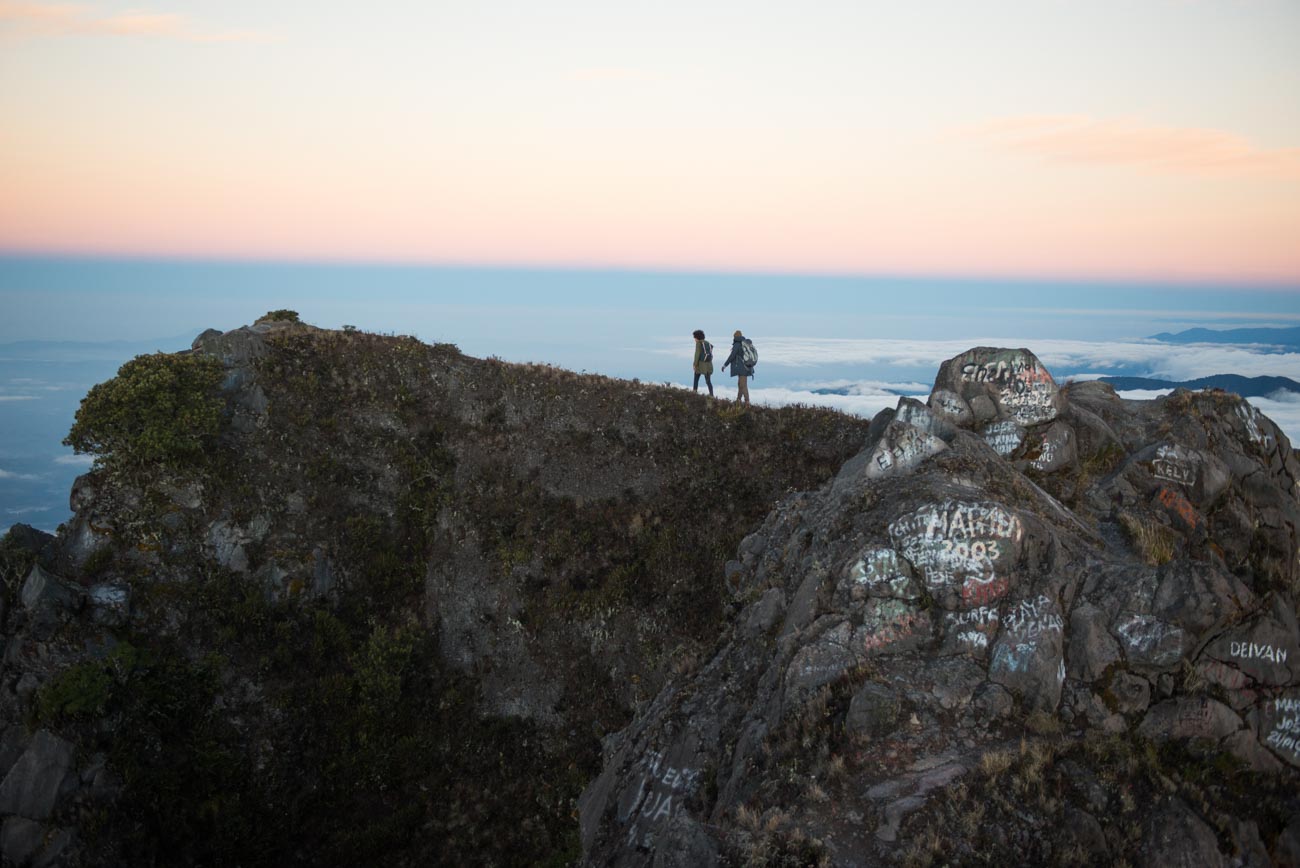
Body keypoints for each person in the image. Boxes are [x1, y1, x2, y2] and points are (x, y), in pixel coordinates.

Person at [721, 329, 753, 405]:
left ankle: (747, 402)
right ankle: (738, 400)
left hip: (742, 368)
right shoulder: (744, 343)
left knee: (743, 385)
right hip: (747, 367)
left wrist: (725, 365)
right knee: (740, 384)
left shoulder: (737, 344)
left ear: (735, 336)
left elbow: (732, 356)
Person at [692, 330, 714, 396]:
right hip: (708, 365)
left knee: (696, 379)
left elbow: (697, 354)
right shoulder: (707, 343)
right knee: (708, 382)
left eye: (694, 337)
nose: (694, 339)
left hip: (700, 365)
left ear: (697, 337)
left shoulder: (698, 343)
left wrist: (694, 365)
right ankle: (711, 395)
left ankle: (694, 394)